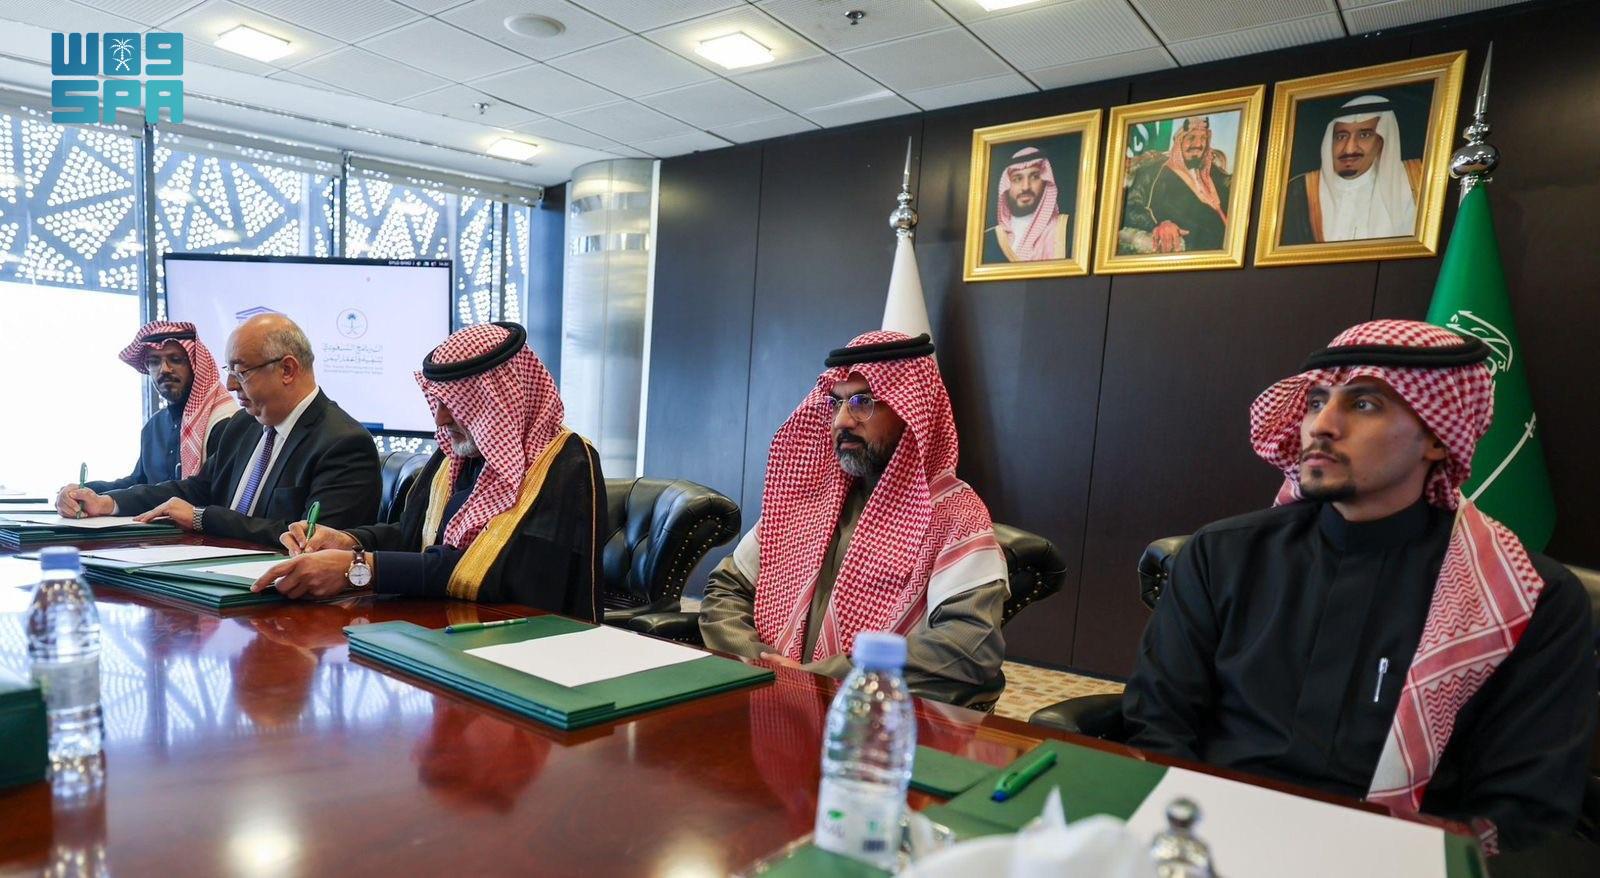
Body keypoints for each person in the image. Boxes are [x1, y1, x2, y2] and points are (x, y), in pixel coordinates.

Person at [1122, 320, 1594, 853]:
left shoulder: (1527, 597)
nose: (1321, 426)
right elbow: (1159, 723)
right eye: (1316, 401)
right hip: (1208, 836)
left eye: (1364, 404)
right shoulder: (1223, 554)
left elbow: (1523, 804)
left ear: (1437, 437)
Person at [700, 331, 1008, 709]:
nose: (841, 421)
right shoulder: (806, 497)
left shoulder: (954, 515)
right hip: (771, 705)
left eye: (863, 402)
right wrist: (759, 663)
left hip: (876, 719)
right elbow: (726, 589)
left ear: (912, 413)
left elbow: (970, 644)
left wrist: (825, 677)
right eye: (836, 402)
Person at [257, 322, 603, 621]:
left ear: (500, 399)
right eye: (437, 401)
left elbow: (506, 571)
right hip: (442, 627)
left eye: (455, 403)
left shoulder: (565, 461)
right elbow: (416, 536)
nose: (440, 418)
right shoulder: (457, 452)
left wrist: (359, 568)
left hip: (524, 642)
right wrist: (349, 541)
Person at [59, 313, 380, 547]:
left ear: (287, 369)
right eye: (230, 370)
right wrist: (108, 502)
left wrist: (203, 518)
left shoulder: (343, 444)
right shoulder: (245, 425)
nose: (229, 384)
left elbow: (314, 541)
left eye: (241, 371)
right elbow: (195, 490)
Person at [55, 321, 236, 508]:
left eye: (175, 359)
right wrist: (83, 491)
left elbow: (200, 492)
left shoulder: (224, 421)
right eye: (154, 361)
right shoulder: (154, 425)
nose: (164, 369)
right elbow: (138, 483)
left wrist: (108, 503)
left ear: (195, 364)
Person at [1282, 95, 1422, 244]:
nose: (1349, 149)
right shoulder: (1299, 191)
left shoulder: (1414, 183)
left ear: (1381, 141)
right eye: (1341, 137)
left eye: (1364, 135)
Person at [1121, 117, 1231, 253]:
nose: (1198, 144)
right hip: (1196, 250)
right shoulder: (1154, 171)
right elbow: (1130, 207)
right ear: (1179, 142)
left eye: (1203, 138)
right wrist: (1159, 225)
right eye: (1191, 138)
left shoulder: (1212, 171)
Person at [983, 146, 1069, 263]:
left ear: (1045, 182)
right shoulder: (988, 238)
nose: (1025, 187)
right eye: (1017, 179)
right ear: (1007, 185)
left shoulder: (1066, 229)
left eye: (1034, 177)